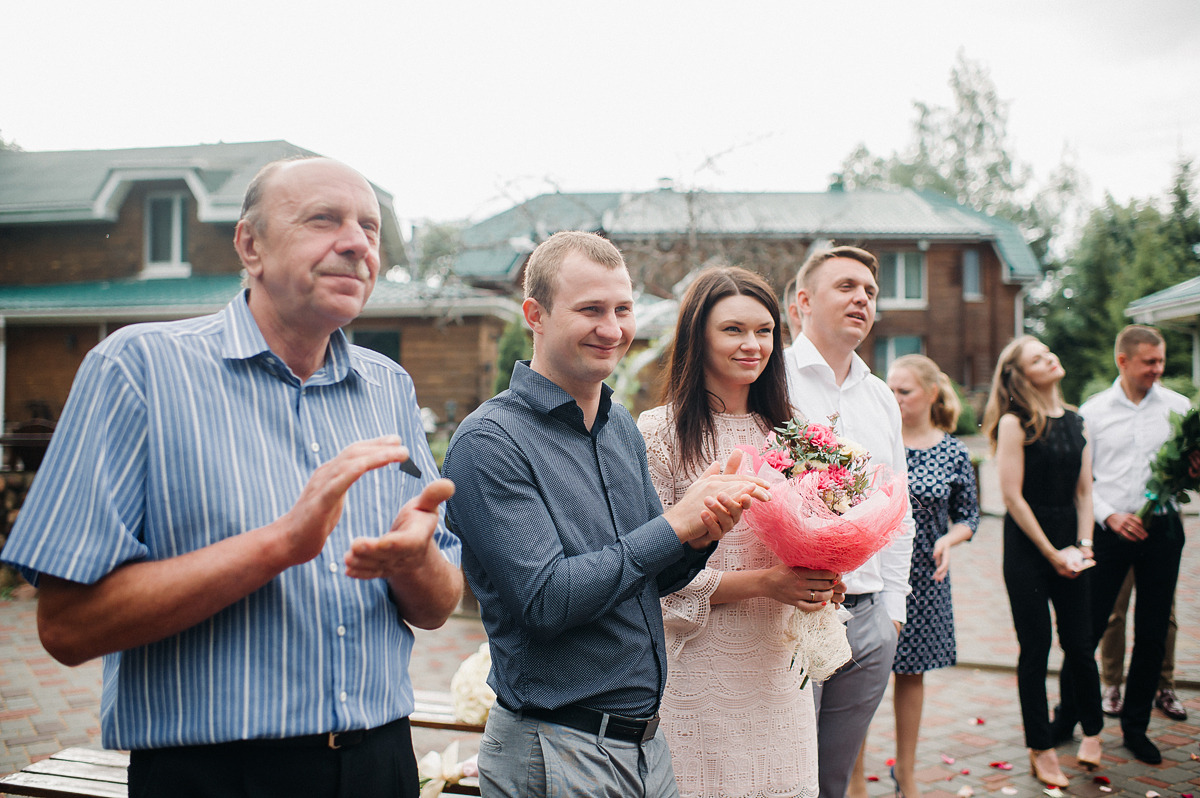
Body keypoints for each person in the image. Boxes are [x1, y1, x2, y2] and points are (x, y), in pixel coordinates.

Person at [0, 157, 464, 798]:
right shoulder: (138, 371)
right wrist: (281, 544)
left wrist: (415, 562)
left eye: (370, 228)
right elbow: (66, 627)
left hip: (380, 764)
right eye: (323, 220)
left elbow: (440, 607)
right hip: (217, 777)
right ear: (251, 245)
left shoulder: (389, 387)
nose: (357, 242)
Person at [441, 231, 772, 797]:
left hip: (644, 745)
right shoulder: (490, 441)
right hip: (557, 745)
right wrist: (671, 525)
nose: (614, 329)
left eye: (623, 309)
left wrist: (702, 533)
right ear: (535, 315)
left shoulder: (618, 425)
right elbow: (546, 601)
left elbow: (655, 577)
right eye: (590, 309)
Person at [638, 266, 844, 798]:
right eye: (733, 329)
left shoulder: (796, 429)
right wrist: (766, 583)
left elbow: (821, 529)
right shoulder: (658, 433)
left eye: (765, 330)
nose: (753, 345)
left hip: (778, 664)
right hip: (695, 666)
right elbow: (649, 571)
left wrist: (821, 574)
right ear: (696, 336)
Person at [782, 245, 915, 798]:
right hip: (793, 615)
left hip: (869, 620)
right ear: (803, 303)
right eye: (846, 286)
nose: (862, 298)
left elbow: (898, 510)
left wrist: (893, 611)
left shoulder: (881, 396)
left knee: (833, 779)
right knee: (787, 775)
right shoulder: (772, 379)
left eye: (870, 292)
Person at [1058, 325, 1191, 763]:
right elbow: (1082, 481)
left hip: (1163, 532)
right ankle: (1066, 716)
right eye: (1149, 361)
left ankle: (1136, 727)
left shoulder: (1180, 408)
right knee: (1087, 630)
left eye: (1161, 361)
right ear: (1123, 361)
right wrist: (1109, 514)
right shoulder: (1093, 413)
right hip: (1109, 533)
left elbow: (1190, 475)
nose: (1158, 369)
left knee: (1152, 632)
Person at [982, 336, 1103, 788]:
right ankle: (1041, 747)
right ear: (1020, 374)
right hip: (1029, 549)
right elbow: (1011, 496)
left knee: (1080, 643)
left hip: (1074, 543)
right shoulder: (1018, 423)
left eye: (1048, 350)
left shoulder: (1077, 420)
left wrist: (1086, 543)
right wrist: (1051, 553)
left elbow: (1085, 491)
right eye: (1037, 357)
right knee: (1036, 649)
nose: (1050, 356)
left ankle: (1093, 732)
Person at [883, 354, 980, 797]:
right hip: (877, 572)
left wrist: (949, 540)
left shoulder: (954, 451)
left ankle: (906, 772)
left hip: (926, 575)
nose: (895, 398)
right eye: (891, 389)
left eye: (904, 391)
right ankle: (851, 776)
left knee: (912, 674)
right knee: (857, 676)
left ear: (931, 394)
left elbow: (968, 517)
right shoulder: (877, 441)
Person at [1099, 575, 1186, 720]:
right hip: (1120, 552)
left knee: (1165, 616)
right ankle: (1111, 685)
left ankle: (1164, 687)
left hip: (1159, 553)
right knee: (1114, 617)